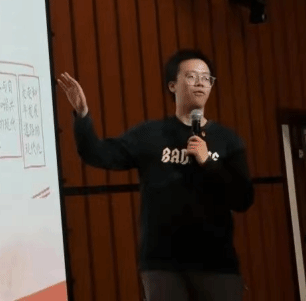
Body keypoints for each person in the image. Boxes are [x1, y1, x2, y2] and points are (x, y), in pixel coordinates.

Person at [57, 49, 253, 301]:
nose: (200, 83)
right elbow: (98, 154)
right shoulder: (150, 135)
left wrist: (208, 161)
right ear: (172, 85)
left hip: (217, 263)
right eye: (192, 76)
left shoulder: (227, 140)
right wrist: (82, 114)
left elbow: (243, 198)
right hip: (162, 265)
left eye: (206, 78)